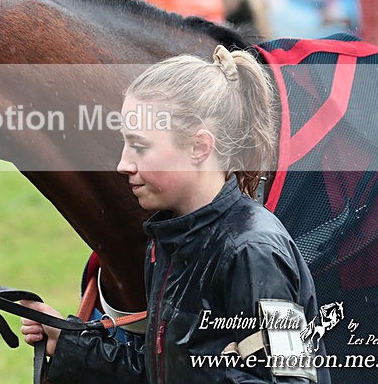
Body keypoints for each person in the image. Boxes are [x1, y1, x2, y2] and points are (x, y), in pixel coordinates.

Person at [20, 46, 330, 383]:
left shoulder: (253, 252)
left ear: (199, 147)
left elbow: (293, 378)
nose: (123, 164)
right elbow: (162, 371)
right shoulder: (167, 243)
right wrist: (66, 343)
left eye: (140, 146)